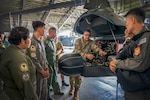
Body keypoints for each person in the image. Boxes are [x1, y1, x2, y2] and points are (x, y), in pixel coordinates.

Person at [109, 7, 150, 100]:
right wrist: (129, 39)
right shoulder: (137, 39)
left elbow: (139, 63)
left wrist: (116, 63)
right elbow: (123, 53)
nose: (126, 25)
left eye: (126, 22)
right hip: (133, 88)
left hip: (142, 92)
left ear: (132, 20)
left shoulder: (147, 38)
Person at [0, 27, 38, 100]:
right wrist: (33, 98)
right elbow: (25, 84)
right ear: (22, 40)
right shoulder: (18, 58)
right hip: (18, 95)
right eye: (29, 38)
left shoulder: (10, 50)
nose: (30, 40)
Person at [70, 29, 107, 100]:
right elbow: (77, 51)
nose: (87, 37)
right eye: (86, 35)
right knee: (72, 76)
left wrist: (100, 51)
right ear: (83, 35)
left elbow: (95, 47)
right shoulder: (78, 41)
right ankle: (71, 87)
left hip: (82, 61)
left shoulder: (91, 42)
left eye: (89, 35)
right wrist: (86, 55)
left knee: (78, 77)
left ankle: (76, 93)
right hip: (74, 59)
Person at [26, 21, 50, 100]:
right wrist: (42, 71)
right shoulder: (32, 42)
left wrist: (46, 67)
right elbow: (33, 59)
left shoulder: (41, 41)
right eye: (44, 28)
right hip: (37, 73)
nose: (45, 30)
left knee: (44, 91)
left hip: (43, 70)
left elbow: (44, 56)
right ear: (39, 29)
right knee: (37, 92)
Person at [44, 27, 64, 100]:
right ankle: (47, 95)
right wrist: (46, 65)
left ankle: (57, 91)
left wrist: (58, 52)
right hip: (48, 64)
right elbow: (43, 55)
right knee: (48, 80)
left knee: (54, 77)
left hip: (53, 62)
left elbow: (54, 53)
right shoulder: (45, 42)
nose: (56, 35)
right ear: (51, 32)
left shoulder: (52, 42)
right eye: (55, 33)